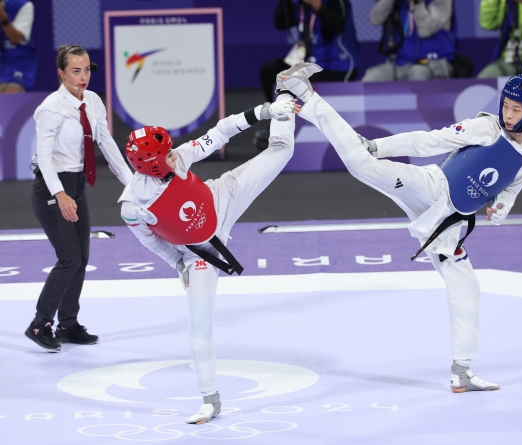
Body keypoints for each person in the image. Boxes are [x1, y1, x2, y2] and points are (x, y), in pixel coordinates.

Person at [281, 65, 522, 392]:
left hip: (448, 223)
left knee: (467, 286)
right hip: (430, 188)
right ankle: (305, 95)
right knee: (361, 163)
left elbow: (511, 188)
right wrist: (378, 147)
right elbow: (429, 141)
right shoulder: (485, 128)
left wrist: (502, 208)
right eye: (505, 104)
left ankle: (461, 371)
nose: (507, 113)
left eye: (516, 109)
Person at [118, 84, 299, 424]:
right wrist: (178, 264)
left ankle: (286, 94)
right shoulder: (133, 205)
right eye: (168, 154)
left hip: (221, 198)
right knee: (199, 328)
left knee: (281, 151)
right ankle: (210, 399)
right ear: (152, 166)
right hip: (196, 253)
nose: (176, 154)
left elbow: (219, 132)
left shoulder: (179, 157)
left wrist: (266, 111)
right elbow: (149, 241)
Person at [25, 45, 133, 351]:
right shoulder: (50, 108)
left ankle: (68, 325)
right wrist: (59, 194)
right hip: (51, 188)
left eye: (87, 70)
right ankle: (39, 324)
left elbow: (107, 144)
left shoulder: (94, 102)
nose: (83, 76)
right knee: (69, 258)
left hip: (77, 186)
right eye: (75, 71)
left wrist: (133, 185)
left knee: (82, 260)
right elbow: (44, 158)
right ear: (61, 73)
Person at [255, 0, 359, 149]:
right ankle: (278, 122)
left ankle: (291, 133)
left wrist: (317, 5)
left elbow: (336, 27)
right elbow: (280, 23)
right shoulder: (301, 4)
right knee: (270, 70)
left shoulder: (337, 2)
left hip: (338, 64)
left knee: (299, 84)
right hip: (310, 61)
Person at [362, 0, 456, 82]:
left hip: (434, 61)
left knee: (417, 73)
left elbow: (425, 31)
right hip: (402, 62)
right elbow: (375, 20)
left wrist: (418, 4)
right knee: (372, 77)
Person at [0, 0, 36, 92]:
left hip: (14, 71)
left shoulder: (23, 6)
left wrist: (3, 17)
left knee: (10, 95)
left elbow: (15, 38)